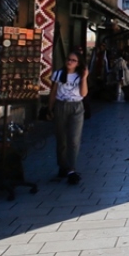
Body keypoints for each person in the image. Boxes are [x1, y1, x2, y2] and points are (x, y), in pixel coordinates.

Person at [47, 50, 89, 185]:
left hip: (76, 106)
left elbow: (83, 93)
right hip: (61, 105)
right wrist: (50, 108)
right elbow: (53, 92)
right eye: (68, 59)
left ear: (78, 63)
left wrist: (84, 78)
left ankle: (71, 168)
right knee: (61, 138)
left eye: (73, 60)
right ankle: (62, 166)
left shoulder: (80, 75)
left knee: (74, 139)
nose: (69, 62)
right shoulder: (58, 74)